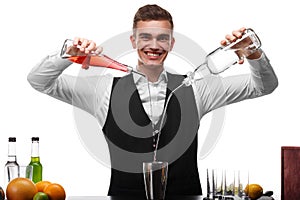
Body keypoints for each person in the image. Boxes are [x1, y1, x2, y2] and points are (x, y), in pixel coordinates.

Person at [27, 4, 278, 197]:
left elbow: (264, 86)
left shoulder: (197, 88)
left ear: (171, 42)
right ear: (133, 41)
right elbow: (40, 81)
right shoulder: (101, 89)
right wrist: (67, 54)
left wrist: (253, 53)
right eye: (145, 37)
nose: (154, 45)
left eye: (162, 37)